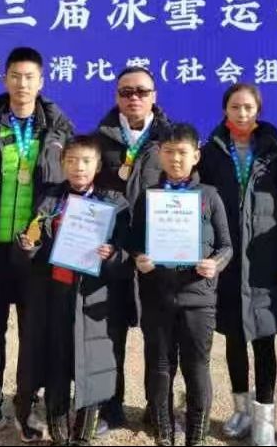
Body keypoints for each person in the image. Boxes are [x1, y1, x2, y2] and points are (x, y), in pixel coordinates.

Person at [0, 47, 74, 441]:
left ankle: (27, 406)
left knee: (33, 334)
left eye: (29, 77)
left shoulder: (59, 131)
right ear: (5, 79)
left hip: (34, 253)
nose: (22, 84)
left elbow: (70, 189)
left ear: (41, 81)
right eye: (15, 76)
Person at [199, 83, 277, 445]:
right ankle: (241, 410)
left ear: (258, 110)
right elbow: (201, 207)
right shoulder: (210, 153)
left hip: (266, 262)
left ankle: (264, 419)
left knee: (264, 340)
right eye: (235, 107)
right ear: (225, 110)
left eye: (248, 107)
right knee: (233, 338)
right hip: (228, 261)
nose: (242, 113)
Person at [15, 135, 130, 445]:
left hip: (92, 298)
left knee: (90, 365)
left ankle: (83, 435)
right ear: (62, 164)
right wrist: (27, 246)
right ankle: (59, 432)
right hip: (54, 294)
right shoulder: (49, 199)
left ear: (98, 166)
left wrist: (112, 254)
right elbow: (33, 243)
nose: (79, 167)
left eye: (86, 161)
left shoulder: (114, 204)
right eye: (72, 161)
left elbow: (126, 256)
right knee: (55, 362)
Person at [130, 123, 233, 446]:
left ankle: (195, 436)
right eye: (169, 152)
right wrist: (139, 257)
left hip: (198, 298)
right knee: (160, 366)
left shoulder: (210, 196)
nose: (175, 159)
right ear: (160, 155)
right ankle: (163, 432)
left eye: (182, 152)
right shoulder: (149, 197)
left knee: (196, 367)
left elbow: (226, 246)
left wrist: (215, 264)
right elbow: (134, 241)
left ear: (196, 156)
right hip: (157, 295)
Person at [93, 66, 174, 429]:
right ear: (117, 97)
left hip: (157, 256)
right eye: (126, 92)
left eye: (142, 91)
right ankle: (111, 409)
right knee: (111, 336)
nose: (134, 98)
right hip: (113, 254)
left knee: (161, 339)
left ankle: (158, 411)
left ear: (154, 96)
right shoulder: (100, 139)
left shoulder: (170, 139)